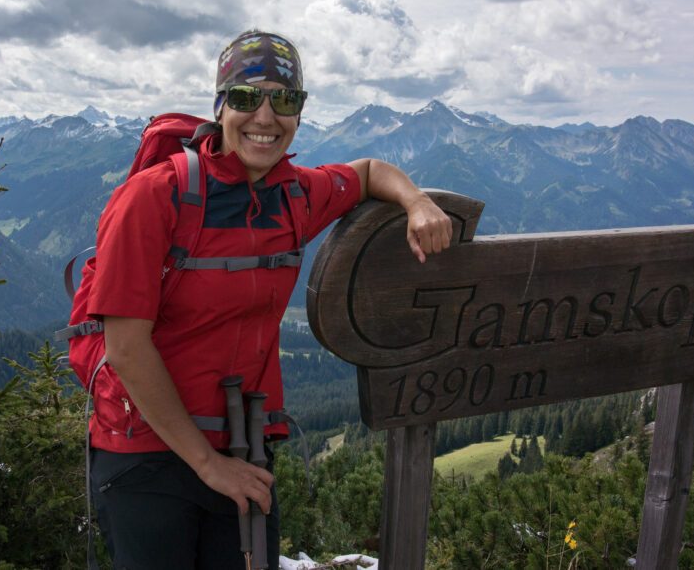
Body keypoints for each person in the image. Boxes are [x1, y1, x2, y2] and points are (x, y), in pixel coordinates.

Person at [86, 30, 452, 569]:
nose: (265, 116)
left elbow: (371, 172)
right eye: (244, 97)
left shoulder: (295, 196)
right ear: (219, 106)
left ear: (299, 113)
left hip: (243, 447)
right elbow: (125, 347)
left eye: (284, 100)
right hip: (145, 453)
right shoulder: (152, 197)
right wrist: (209, 466)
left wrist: (417, 202)